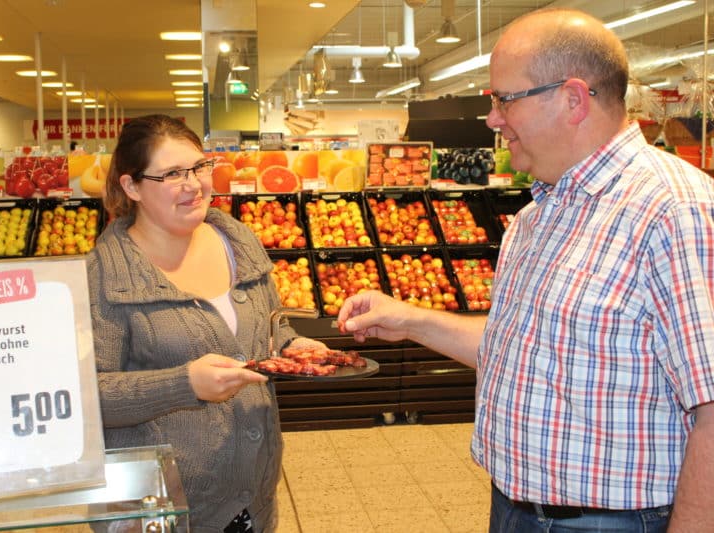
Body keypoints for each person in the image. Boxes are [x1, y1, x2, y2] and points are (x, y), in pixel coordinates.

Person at [338, 8, 714, 533]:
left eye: (504, 99)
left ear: (573, 99)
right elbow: (518, 346)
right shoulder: (538, 216)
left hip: (614, 522)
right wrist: (408, 320)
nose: (491, 118)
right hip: (515, 509)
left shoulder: (673, 211)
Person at [86, 114, 326, 533]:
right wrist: (185, 384)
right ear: (132, 186)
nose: (194, 184)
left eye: (199, 167)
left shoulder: (237, 240)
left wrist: (292, 347)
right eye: (173, 174)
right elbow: (87, 398)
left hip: (255, 497)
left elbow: (270, 330)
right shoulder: (104, 275)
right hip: (161, 511)